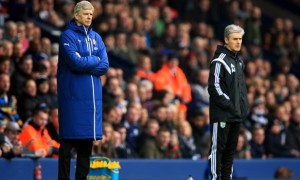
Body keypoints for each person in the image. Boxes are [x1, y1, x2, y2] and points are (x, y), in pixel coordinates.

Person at [57, 1, 109, 179]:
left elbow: (105, 65)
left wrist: (86, 61)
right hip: (72, 100)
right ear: (77, 14)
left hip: (91, 102)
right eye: (86, 13)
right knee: (66, 146)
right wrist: (94, 59)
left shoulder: (97, 38)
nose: (89, 17)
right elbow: (75, 63)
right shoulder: (67, 36)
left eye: (91, 14)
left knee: (86, 148)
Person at [207, 24, 249, 179]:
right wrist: (230, 105)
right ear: (226, 40)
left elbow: (241, 89)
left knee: (230, 152)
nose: (238, 42)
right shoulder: (219, 61)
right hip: (222, 115)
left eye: (240, 39)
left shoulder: (239, 62)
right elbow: (214, 87)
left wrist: (243, 107)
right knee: (218, 150)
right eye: (235, 39)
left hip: (235, 115)